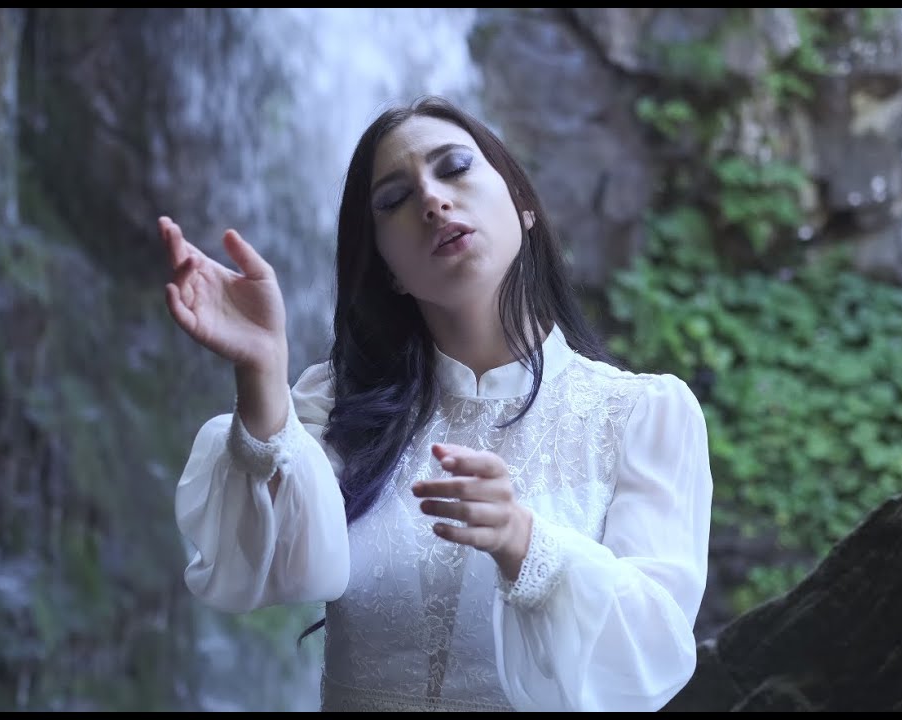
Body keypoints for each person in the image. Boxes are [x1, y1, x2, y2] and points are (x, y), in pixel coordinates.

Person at [159, 95, 713, 712]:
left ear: (523, 204)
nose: (431, 199)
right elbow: (283, 569)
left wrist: (525, 541)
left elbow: (653, 652)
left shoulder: (639, 416)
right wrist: (262, 371)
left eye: (455, 167)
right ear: (388, 268)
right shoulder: (337, 406)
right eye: (393, 200)